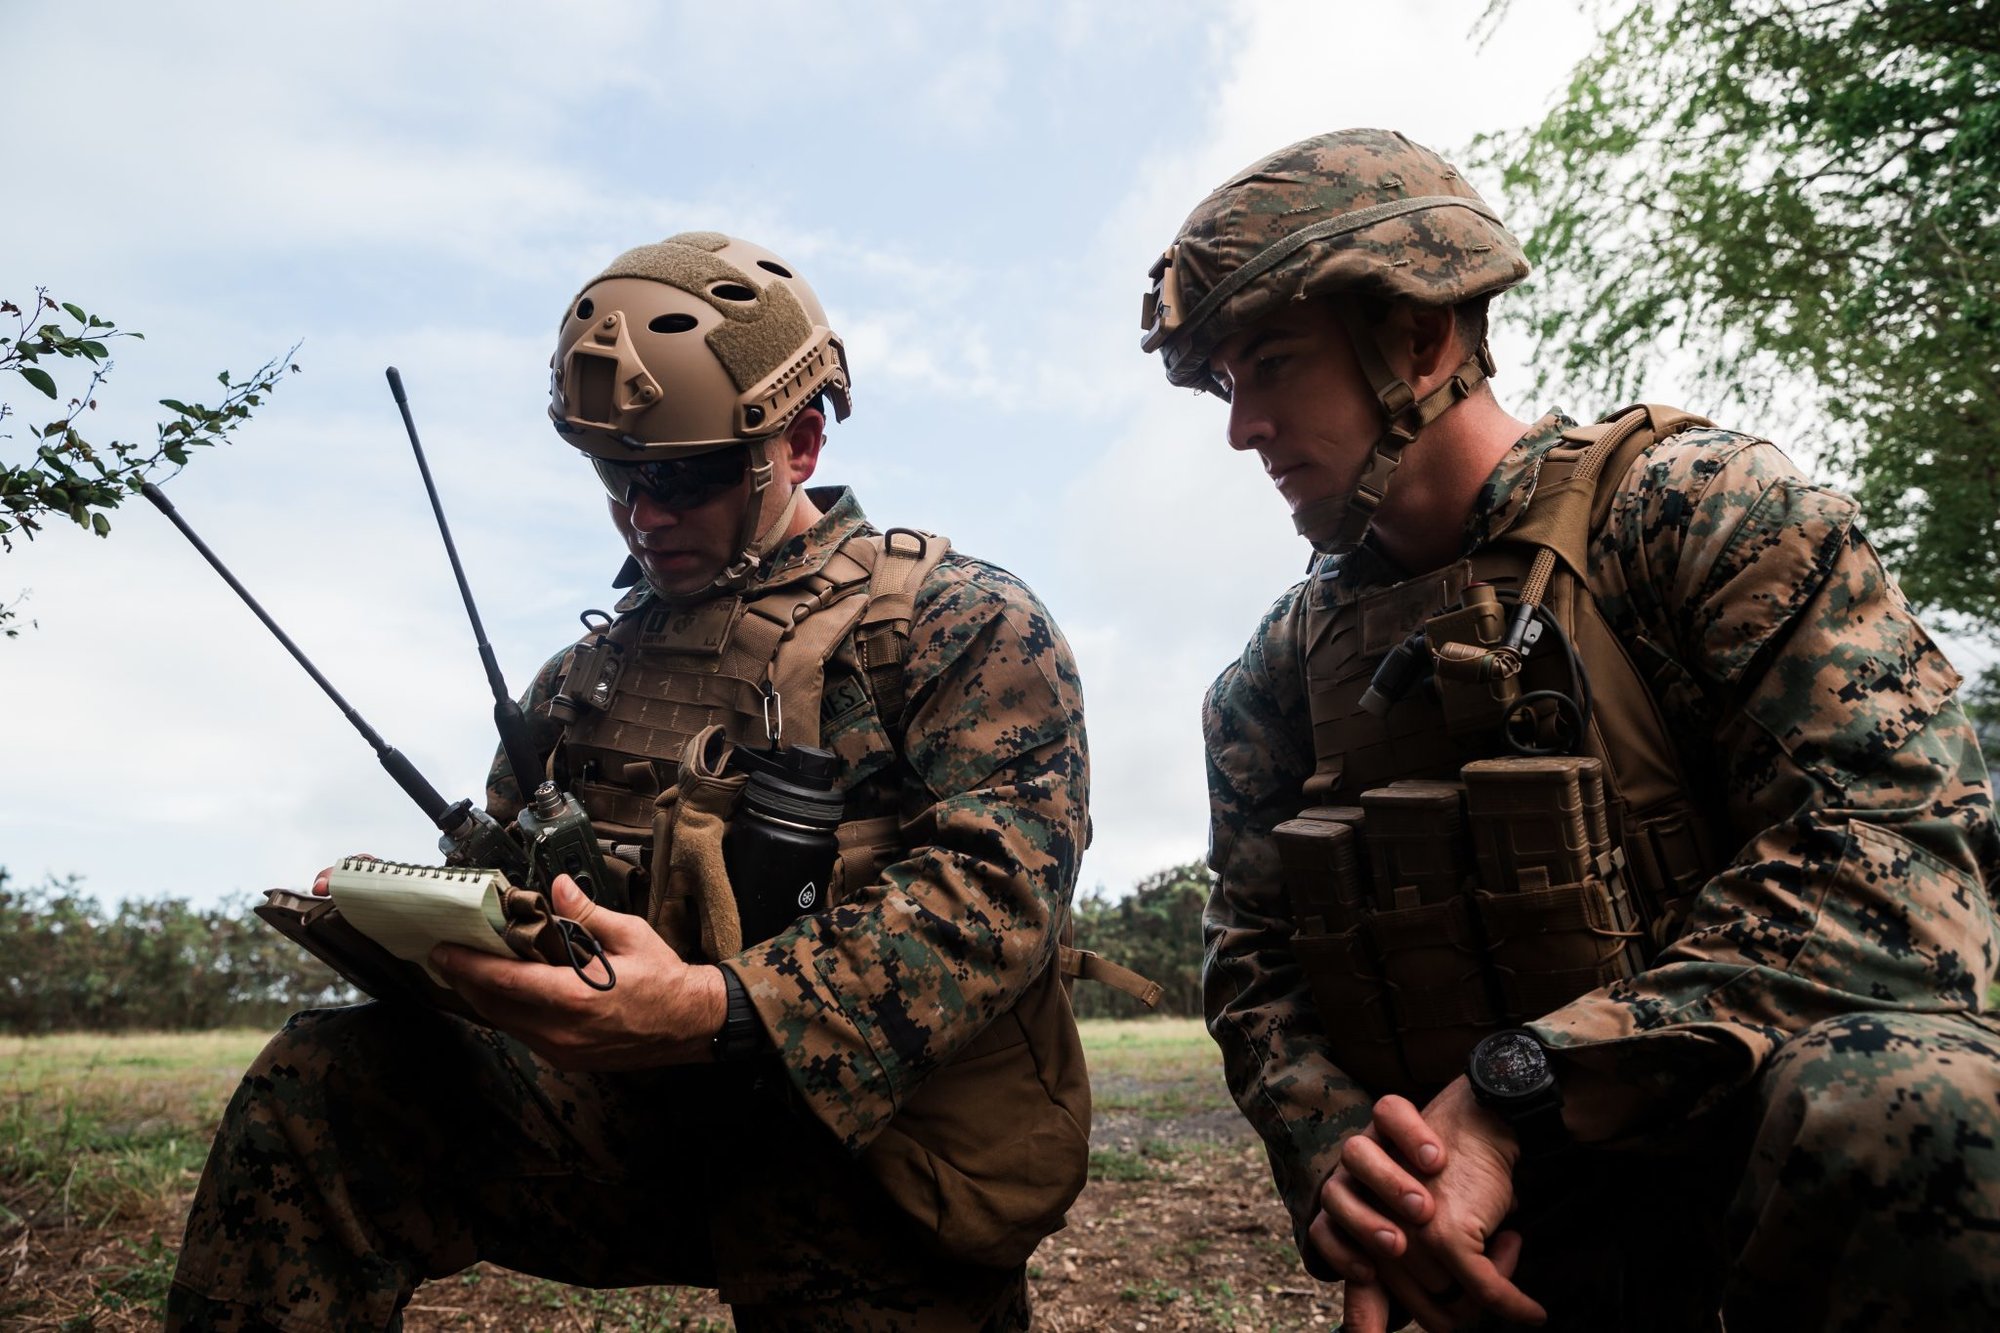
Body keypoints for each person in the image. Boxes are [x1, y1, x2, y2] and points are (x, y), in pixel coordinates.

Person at [168, 231, 1143, 1331]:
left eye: (684, 476)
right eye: (618, 477)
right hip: (632, 1132)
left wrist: (714, 1009)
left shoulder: (952, 627)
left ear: (801, 441)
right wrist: (450, 941)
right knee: (322, 1087)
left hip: (878, 1156)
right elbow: (517, 905)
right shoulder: (580, 680)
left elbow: (993, 902)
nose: (645, 515)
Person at [1139, 129, 2000, 1332]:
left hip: (1748, 1182)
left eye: (1272, 365)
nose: (1241, 430)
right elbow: (1253, 962)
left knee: (1909, 1103)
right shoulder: (1272, 682)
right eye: (1226, 386)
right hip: (1492, 1235)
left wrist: (1523, 1089)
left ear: (1418, 338)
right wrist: (1356, 1171)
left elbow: (1902, 875)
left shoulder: (1700, 518)